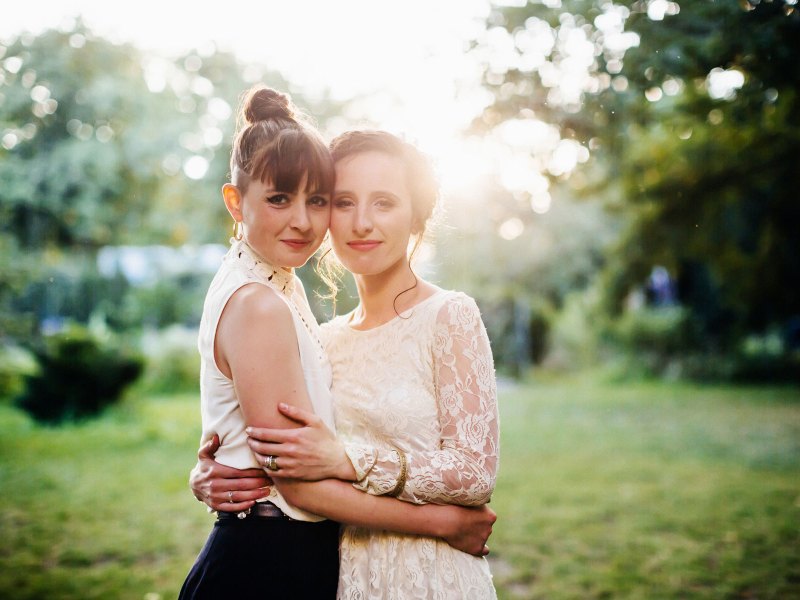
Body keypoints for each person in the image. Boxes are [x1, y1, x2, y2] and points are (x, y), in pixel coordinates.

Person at [181, 87, 495, 599]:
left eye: (385, 203)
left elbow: (473, 473)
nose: (360, 222)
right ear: (236, 202)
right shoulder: (315, 331)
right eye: (343, 202)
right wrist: (218, 470)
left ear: (417, 216)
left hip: (424, 576)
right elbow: (290, 471)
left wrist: (343, 461)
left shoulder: (446, 315)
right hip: (332, 569)